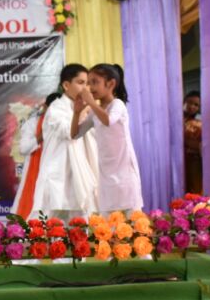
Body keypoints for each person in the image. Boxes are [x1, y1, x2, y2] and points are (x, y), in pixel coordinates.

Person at [31, 64, 99, 221]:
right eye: (81, 82)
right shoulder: (56, 108)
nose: (86, 88)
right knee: (47, 223)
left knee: (83, 222)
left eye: (88, 83)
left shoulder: (87, 108)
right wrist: (84, 110)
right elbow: (69, 132)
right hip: (59, 174)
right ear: (66, 85)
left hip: (81, 172)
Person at [85, 63, 143, 213]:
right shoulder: (96, 111)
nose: (90, 88)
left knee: (131, 217)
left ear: (111, 84)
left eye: (95, 82)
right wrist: (78, 112)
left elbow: (108, 120)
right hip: (106, 171)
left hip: (124, 169)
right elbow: (75, 133)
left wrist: (91, 103)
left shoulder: (118, 104)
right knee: (108, 217)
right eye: (88, 83)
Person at [12, 91, 61, 219]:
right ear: (45, 107)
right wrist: (41, 136)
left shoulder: (64, 125)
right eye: (53, 109)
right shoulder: (32, 124)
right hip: (36, 174)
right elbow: (23, 149)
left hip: (58, 175)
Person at [183, 90, 202, 194]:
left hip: (193, 163)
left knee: (193, 192)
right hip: (178, 162)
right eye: (189, 102)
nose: (192, 106)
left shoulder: (198, 125)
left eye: (196, 105)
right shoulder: (174, 121)